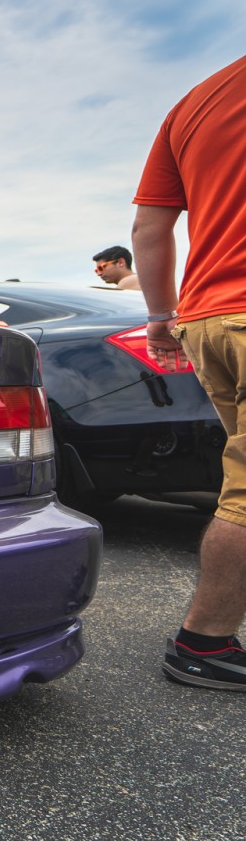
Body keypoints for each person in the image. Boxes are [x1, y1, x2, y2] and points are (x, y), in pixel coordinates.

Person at [130, 54, 246, 690]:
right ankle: (203, 642)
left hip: (206, 319)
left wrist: (159, 317)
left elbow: (150, 224)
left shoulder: (192, 104)